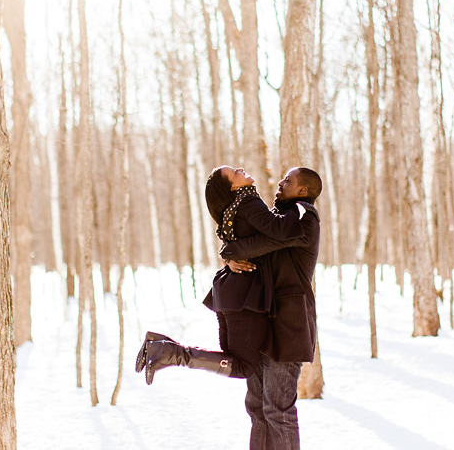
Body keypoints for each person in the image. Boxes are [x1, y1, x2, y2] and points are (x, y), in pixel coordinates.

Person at [134, 165, 306, 385]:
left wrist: (229, 254)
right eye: (235, 172)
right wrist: (299, 210)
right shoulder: (248, 203)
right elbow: (281, 232)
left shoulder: (231, 210)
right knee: (243, 366)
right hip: (245, 297)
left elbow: (253, 239)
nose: (241, 169)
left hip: (228, 293)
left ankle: (163, 346)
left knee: (233, 360)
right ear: (233, 186)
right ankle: (169, 352)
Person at [220, 167, 322, 450]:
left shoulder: (303, 217)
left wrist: (231, 251)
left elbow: (263, 242)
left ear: (302, 191)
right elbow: (257, 249)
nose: (280, 182)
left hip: (289, 326)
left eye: (288, 180)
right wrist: (231, 259)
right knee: (256, 407)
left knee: (278, 409)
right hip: (262, 321)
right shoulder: (280, 219)